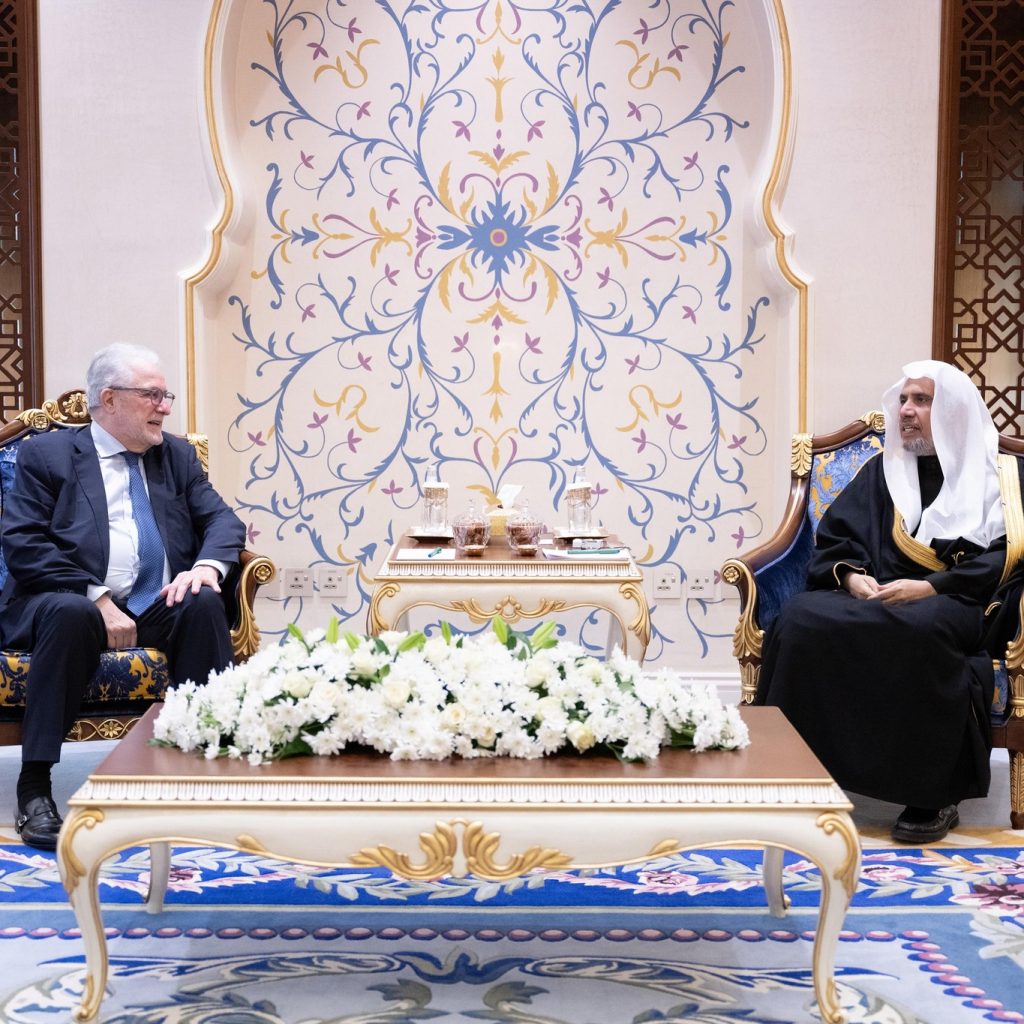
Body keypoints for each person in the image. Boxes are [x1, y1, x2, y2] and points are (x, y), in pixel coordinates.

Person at [756, 360, 1024, 843]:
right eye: (903, 400)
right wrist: (853, 579)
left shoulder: (1000, 476)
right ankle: (793, 777)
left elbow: (1011, 556)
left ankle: (930, 795)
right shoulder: (883, 471)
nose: (906, 411)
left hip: (959, 598)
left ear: (952, 411)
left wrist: (931, 588)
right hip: (878, 593)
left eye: (921, 400)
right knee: (799, 618)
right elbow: (838, 537)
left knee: (922, 628)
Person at [4, 343, 245, 850]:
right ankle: (35, 789)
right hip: (66, 598)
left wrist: (205, 568)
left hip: (151, 602)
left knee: (202, 600)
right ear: (109, 399)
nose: (165, 407)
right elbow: (24, 543)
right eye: (152, 395)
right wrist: (97, 598)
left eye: (166, 395)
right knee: (70, 612)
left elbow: (223, 521)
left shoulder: (175, 455)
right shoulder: (48, 455)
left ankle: (209, 771)